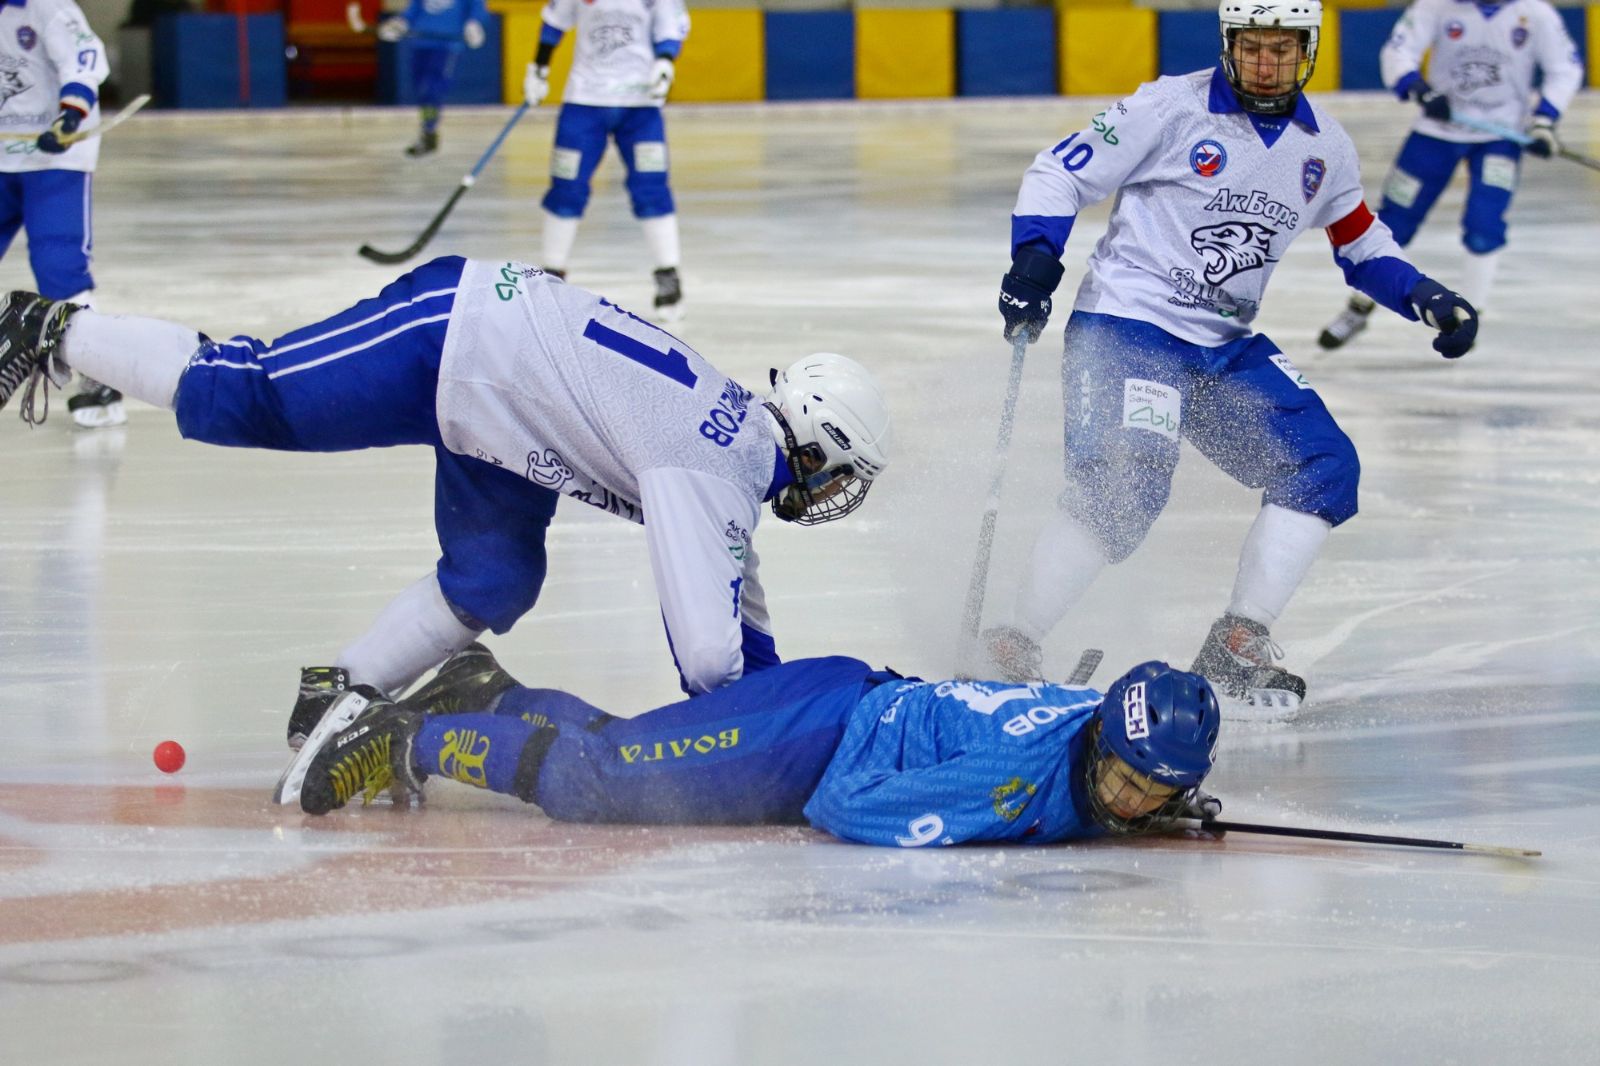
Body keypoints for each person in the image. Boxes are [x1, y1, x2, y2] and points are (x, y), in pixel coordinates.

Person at [0, 256, 892, 757]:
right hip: (456, 337)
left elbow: (735, 593)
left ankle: (343, 692)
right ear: (814, 442)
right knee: (247, 394)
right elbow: (707, 654)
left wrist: (782, 690)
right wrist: (769, 729)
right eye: (840, 471)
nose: (835, 493)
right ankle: (53, 329)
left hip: (509, 405)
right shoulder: (717, 462)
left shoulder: (733, 449)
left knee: (496, 574)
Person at [985, 0, 1478, 716]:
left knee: (1324, 466)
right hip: (1130, 329)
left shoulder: (1323, 147)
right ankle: (1013, 637)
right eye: (1252, 46)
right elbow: (1059, 173)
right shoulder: (1169, 108)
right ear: (1228, 45)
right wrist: (1034, 262)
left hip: (1223, 346)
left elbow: (1361, 242)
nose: (1266, 62)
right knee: (1128, 481)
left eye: (1282, 48)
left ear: (1307, 50)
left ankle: (1235, 646)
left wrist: (1426, 296)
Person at [283, 643, 1223, 852]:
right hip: (817, 740)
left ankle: (489, 695)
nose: (1128, 798)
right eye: (1121, 776)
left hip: (836, 710)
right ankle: (407, 738)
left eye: (1153, 790)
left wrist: (1150, 807)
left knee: (628, 750)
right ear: (1100, 730)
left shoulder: (1102, 717)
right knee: (602, 784)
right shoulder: (1012, 786)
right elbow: (846, 810)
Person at [1317, 0, 1583, 347]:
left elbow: (1565, 67)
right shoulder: (1436, 6)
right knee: (1394, 220)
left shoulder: (1534, 13)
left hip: (1500, 138)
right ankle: (1360, 305)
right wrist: (1416, 85)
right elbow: (1400, 50)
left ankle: (1471, 318)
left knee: (1485, 224)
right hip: (1435, 134)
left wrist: (1545, 118)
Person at [522, 0, 690, 321]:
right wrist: (539, 68)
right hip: (585, 101)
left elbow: (671, 28)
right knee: (566, 185)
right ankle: (552, 274)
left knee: (652, 188)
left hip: (640, 103)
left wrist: (666, 61)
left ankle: (668, 276)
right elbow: (554, 22)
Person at [0, 0, 119, 427]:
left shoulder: (47, 7)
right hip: (2, 154)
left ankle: (100, 376)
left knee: (58, 264)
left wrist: (71, 117)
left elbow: (85, 58)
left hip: (54, 160)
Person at [377, 0, 491, 158]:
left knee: (433, 89)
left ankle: (429, 129)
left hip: (447, 44)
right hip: (421, 42)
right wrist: (400, 23)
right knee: (421, 90)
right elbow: (414, 8)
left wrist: (474, 23)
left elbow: (477, 7)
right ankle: (428, 130)